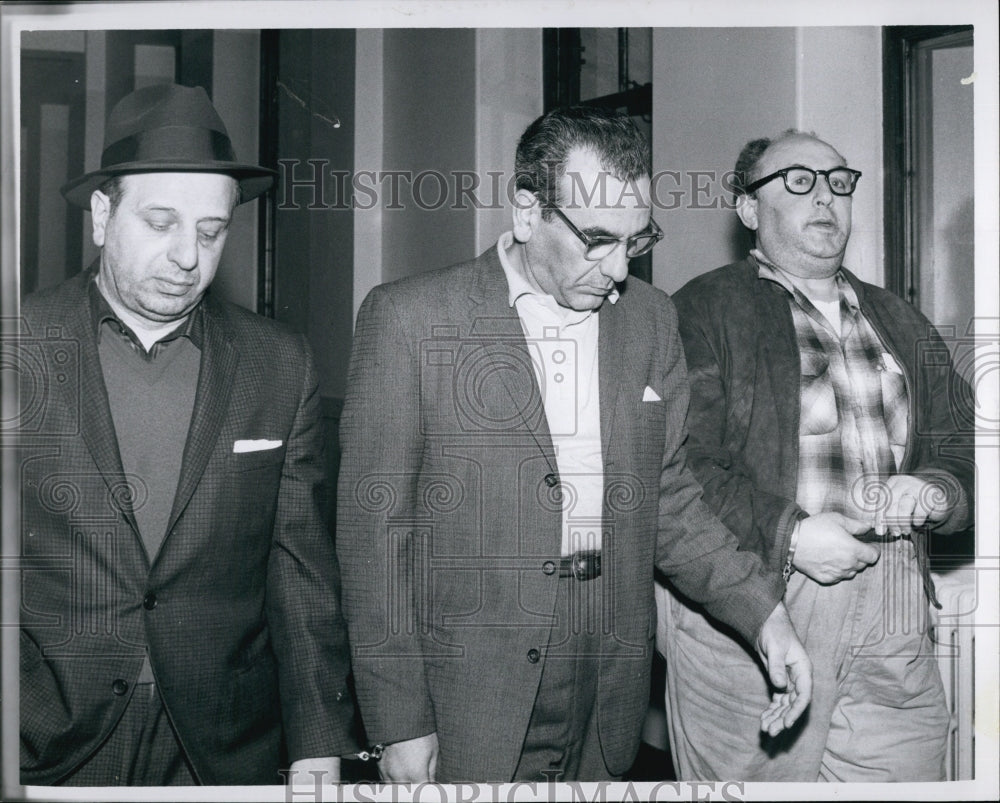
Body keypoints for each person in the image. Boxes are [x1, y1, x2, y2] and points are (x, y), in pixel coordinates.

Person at [336, 106, 812, 783]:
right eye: (596, 239)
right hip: (470, 689)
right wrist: (398, 720)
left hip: (607, 680)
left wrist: (763, 613)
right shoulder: (410, 320)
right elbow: (376, 541)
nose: (618, 268)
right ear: (528, 213)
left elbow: (670, 501)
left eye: (636, 240)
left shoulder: (649, 319)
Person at [16, 83, 356, 786]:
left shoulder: (278, 362)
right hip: (45, 736)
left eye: (209, 232)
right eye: (161, 222)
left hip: (221, 746)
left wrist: (319, 740)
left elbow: (300, 571)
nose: (187, 256)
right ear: (103, 217)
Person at [655, 130, 975, 781]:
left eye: (837, 180)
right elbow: (681, 468)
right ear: (748, 208)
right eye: (797, 181)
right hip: (756, 606)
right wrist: (793, 534)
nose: (824, 196)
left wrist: (938, 488)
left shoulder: (897, 317)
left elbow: (962, 439)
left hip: (893, 607)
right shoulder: (703, 310)